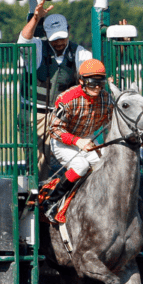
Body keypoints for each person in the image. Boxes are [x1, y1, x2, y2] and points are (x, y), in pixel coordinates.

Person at [17, 0, 94, 166]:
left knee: (75, 160)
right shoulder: (36, 48)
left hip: (65, 116)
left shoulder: (80, 53)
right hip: (36, 115)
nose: (59, 43)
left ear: (68, 31)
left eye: (62, 38)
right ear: (45, 34)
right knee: (38, 164)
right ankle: (38, 190)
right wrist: (36, 18)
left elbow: (94, 76)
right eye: (54, 39)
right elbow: (22, 42)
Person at [38, 59, 113, 223]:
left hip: (86, 140)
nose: (97, 88)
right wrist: (77, 141)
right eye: (92, 84)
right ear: (81, 81)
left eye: (100, 84)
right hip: (62, 141)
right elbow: (54, 129)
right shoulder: (67, 99)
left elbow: (115, 122)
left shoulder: (107, 99)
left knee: (102, 165)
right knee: (81, 165)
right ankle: (52, 202)